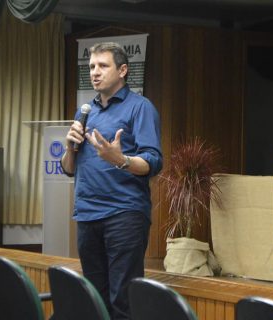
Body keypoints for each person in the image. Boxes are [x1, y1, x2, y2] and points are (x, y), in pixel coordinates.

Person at [61, 42, 162, 319]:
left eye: (103, 66)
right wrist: (70, 147)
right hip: (87, 214)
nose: (95, 72)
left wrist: (120, 159)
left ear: (123, 70)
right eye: (92, 66)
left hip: (124, 214)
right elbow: (69, 169)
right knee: (93, 299)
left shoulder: (140, 108)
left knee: (123, 300)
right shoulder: (85, 112)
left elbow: (153, 162)